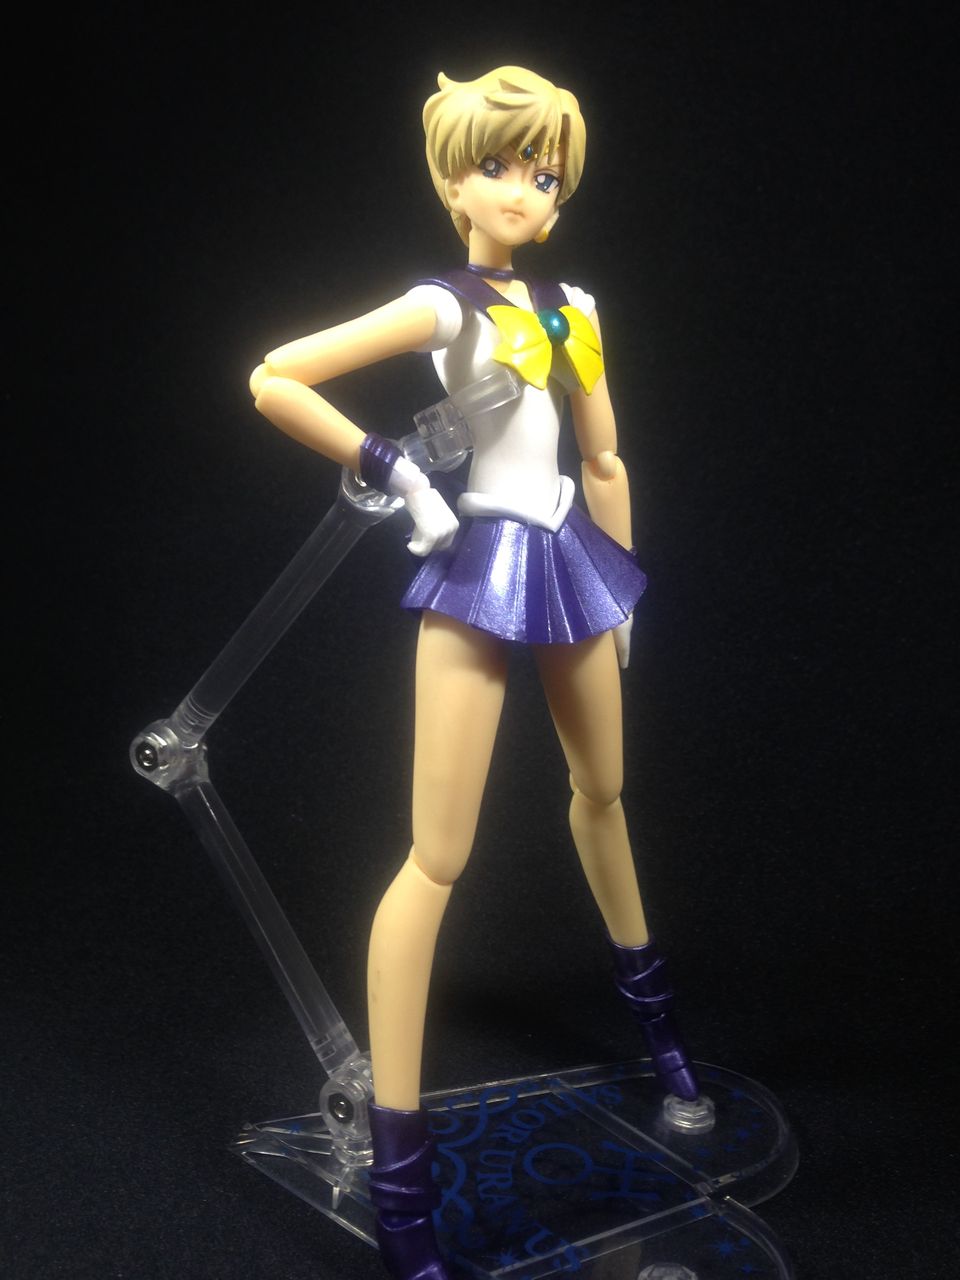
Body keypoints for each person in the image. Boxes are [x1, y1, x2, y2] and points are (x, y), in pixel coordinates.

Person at [249, 64, 700, 1280]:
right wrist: (397, 470)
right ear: (453, 182)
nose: (522, 190)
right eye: (499, 165)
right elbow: (277, 374)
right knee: (436, 854)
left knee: (602, 794)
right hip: (479, 563)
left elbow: (604, 459)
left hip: (570, 558)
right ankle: (401, 1180)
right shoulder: (441, 304)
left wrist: (625, 591)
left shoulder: (575, 306)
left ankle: (665, 1042)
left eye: (544, 174)